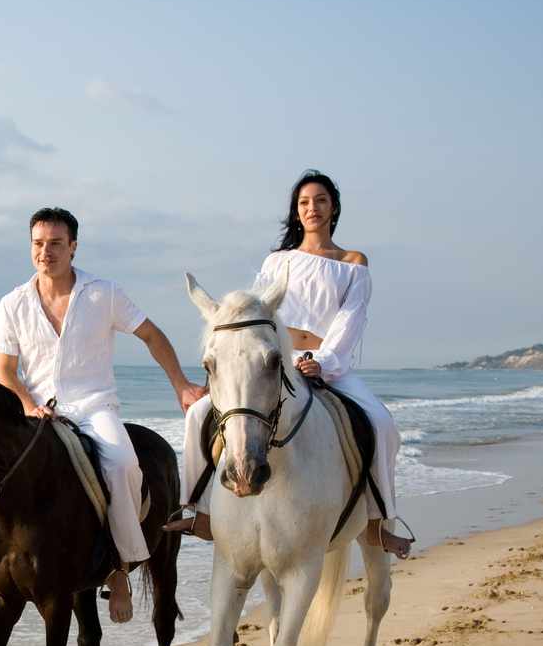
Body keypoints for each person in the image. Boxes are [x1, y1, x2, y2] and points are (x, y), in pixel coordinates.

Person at [164, 170, 414, 558]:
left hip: (327, 363)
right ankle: (198, 509)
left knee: (381, 424)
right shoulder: (277, 261)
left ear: (334, 208)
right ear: (296, 212)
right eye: (304, 203)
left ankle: (377, 523)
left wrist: (324, 362)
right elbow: (257, 314)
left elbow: (351, 319)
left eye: (320, 201)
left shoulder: (352, 261)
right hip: (275, 360)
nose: (312, 208)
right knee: (199, 414)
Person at [0, 207, 207, 622]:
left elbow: (151, 335)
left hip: (93, 406)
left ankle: (121, 569)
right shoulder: (12, 303)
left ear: (73, 247)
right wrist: (25, 404)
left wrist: (181, 384)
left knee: (124, 464)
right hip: (36, 412)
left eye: (56, 244)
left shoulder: (103, 293)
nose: (46, 252)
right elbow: (4, 371)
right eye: (38, 244)